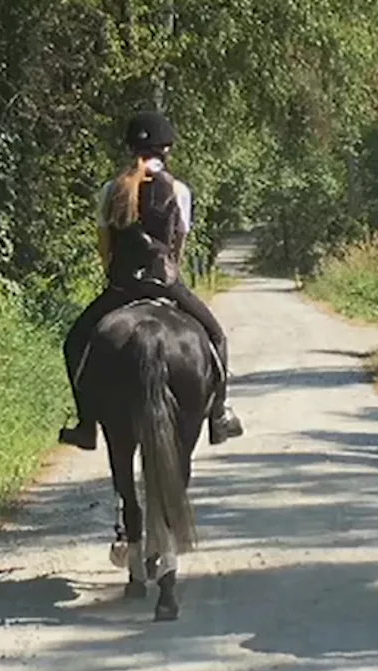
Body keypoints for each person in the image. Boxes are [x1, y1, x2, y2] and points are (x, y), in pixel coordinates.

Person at [58, 110, 244, 451]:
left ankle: (85, 425)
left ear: (131, 148)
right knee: (216, 336)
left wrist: (117, 277)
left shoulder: (110, 190)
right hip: (165, 283)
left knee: (74, 342)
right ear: (167, 150)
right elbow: (178, 248)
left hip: (122, 288)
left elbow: (105, 248)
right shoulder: (178, 190)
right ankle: (218, 414)